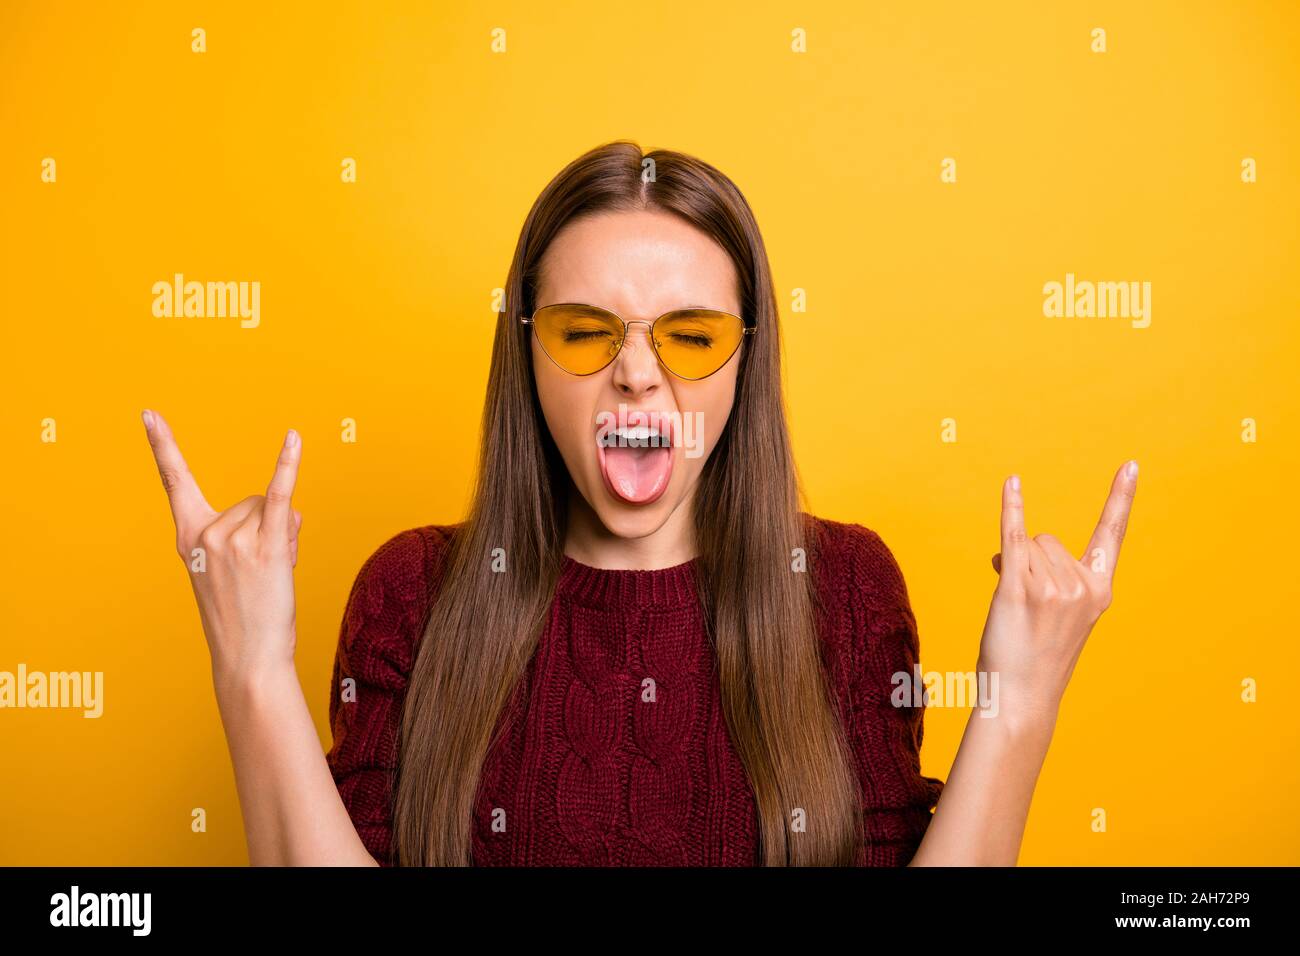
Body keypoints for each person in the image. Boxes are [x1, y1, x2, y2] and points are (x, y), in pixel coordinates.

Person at [141, 140, 1137, 866]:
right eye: (584, 332)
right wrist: (251, 667)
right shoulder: (414, 592)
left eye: (690, 337)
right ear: (527, 356)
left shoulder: (841, 588)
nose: (635, 375)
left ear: (745, 362)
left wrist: (1021, 699)